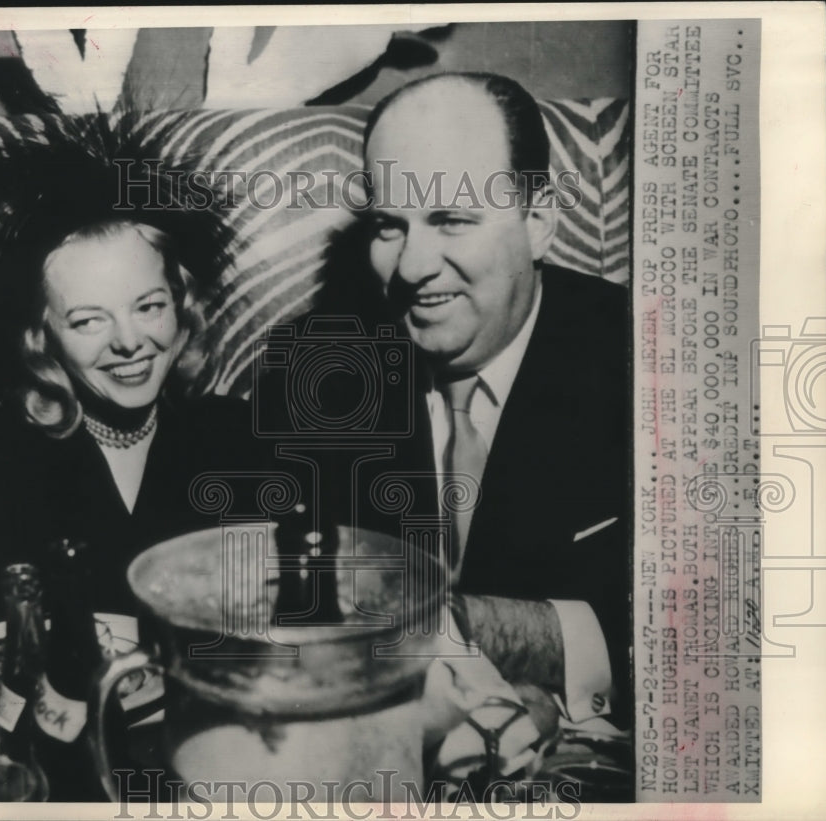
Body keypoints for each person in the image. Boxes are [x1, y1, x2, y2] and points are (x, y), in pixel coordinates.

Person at [256, 73, 629, 730]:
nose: (411, 267)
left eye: (451, 219)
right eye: (389, 226)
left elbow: (712, 633)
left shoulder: (649, 361)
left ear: (537, 222)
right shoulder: (314, 370)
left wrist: (486, 630)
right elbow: (288, 611)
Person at [0, 129, 262, 652]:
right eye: (87, 321)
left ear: (180, 304)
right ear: (42, 334)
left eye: (149, 306)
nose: (129, 342)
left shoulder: (237, 437)